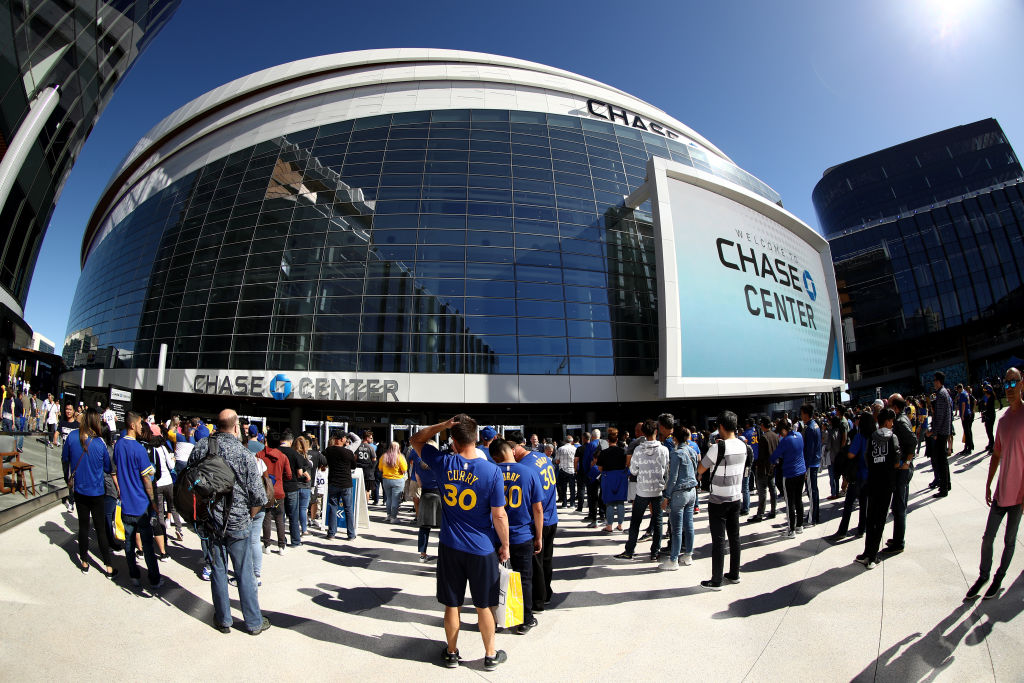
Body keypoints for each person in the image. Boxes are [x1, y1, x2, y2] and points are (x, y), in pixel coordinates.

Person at [410, 416, 509, 671]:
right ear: (476, 438)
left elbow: (415, 440)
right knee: (484, 605)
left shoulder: (443, 463)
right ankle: (489, 654)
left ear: (453, 442)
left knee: (452, 604)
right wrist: (505, 545)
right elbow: (499, 515)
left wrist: (442, 425)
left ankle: (452, 652)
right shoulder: (492, 471)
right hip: (482, 547)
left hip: (451, 545)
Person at [187, 409, 269, 634]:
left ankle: (223, 620)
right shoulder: (243, 454)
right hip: (238, 524)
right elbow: (259, 497)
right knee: (245, 573)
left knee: (218, 571)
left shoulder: (202, 447)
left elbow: (189, 479)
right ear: (235, 427)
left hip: (210, 521)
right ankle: (253, 623)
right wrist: (247, 517)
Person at [965, 367, 1023, 601]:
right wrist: (989, 483)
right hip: (1002, 491)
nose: (1009, 389)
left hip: (1019, 493)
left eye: (1013, 383)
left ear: (1021, 383)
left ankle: (999, 576)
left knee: (1010, 540)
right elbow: (997, 454)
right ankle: (984, 575)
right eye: (1006, 384)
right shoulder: (1003, 420)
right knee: (988, 537)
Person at [696, 411, 753, 590]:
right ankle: (734, 574)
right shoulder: (744, 446)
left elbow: (701, 468)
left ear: (721, 427)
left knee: (719, 540)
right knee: (735, 537)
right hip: (736, 497)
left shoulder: (717, 448)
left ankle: (716, 579)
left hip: (718, 499)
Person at [493, 439, 543, 634]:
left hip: (497, 534)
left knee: (496, 578)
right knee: (524, 579)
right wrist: (538, 536)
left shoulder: (492, 473)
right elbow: (537, 508)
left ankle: (497, 617)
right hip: (522, 534)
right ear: (512, 452)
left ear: (495, 457)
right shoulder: (528, 472)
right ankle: (525, 619)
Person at [61, 408, 116, 577]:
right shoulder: (100, 444)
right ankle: (108, 565)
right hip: (97, 491)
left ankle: (84, 561)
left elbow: (65, 459)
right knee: (100, 528)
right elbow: (108, 467)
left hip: (80, 490)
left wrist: (67, 478)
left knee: (83, 526)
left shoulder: (71, 437)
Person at [113, 412, 162, 589]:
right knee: (148, 545)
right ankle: (154, 578)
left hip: (126, 504)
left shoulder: (118, 446)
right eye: (140, 424)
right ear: (132, 425)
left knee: (129, 542)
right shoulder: (139, 449)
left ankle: (134, 575)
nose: (142, 427)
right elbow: (147, 480)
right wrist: (153, 502)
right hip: (141, 505)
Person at [512, 432, 558, 620]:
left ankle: (538, 601)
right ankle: (547, 593)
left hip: (538, 518)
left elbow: (533, 502)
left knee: (536, 563)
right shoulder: (541, 456)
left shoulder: (524, 467)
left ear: (515, 449)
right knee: (546, 559)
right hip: (551, 515)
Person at [615, 419, 668, 561]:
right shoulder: (664, 449)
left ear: (643, 433)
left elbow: (633, 470)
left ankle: (629, 551)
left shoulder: (638, 450)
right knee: (658, 521)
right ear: (656, 431)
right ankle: (655, 552)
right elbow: (666, 469)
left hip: (642, 490)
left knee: (635, 522)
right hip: (658, 490)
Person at [857, 408, 903, 569]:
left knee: (871, 517)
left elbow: (867, 457)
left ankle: (867, 552)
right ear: (887, 421)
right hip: (887, 482)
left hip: (873, 480)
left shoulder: (873, 437)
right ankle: (872, 556)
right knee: (881, 519)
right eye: (892, 421)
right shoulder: (893, 437)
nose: (892, 423)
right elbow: (897, 460)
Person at [661, 425, 699, 569]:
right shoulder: (691, 451)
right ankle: (688, 555)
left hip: (679, 492)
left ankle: (673, 559)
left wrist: (666, 495)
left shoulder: (676, 454)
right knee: (689, 525)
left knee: (676, 528)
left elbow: (673, 477)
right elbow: (695, 469)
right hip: (691, 490)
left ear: (675, 438)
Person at [886, 394, 918, 555]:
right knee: (899, 506)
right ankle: (897, 537)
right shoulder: (901, 418)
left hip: (903, 470)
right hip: (901, 469)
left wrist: (906, 462)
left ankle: (899, 542)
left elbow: (912, 440)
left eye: (889, 404)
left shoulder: (899, 421)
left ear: (895, 407)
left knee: (899, 507)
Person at [834, 413, 873, 539]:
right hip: (869, 474)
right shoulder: (874, 436)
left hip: (858, 474)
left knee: (849, 503)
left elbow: (851, 454)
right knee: (864, 504)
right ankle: (862, 529)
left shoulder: (859, 437)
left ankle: (842, 530)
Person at [772, 418, 806, 538]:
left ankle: (791, 529)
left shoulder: (785, 441)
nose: (780, 434)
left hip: (790, 473)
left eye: (780, 432)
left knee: (790, 502)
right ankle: (800, 526)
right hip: (801, 471)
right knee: (798, 500)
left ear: (783, 430)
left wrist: (773, 461)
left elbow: (775, 456)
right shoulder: (799, 435)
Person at [258, 432, 292, 553]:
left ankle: (266, 545)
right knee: (279, 518)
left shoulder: (260, 455)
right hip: (278, 491)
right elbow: (289, 475)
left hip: (265, 491)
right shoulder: (283, 457)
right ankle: (281, 546)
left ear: (266, 441)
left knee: (266, 517)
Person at [323, 431, 357, 541]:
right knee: (348, 508)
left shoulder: (328, 451)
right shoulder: (348, 452)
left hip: (333, 481)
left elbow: (323, 461)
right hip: (346, 482)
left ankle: (331, 533)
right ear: (341, 439)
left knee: (333, 507)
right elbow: (353, 466)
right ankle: (351, 534)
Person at [278, 430, 310, 547]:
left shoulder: (275, 452)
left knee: (280, 516)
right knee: (293, 516)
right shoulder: (295, 454)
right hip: (292, 487)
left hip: (278, 487)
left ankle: (282, 541)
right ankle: (295, 541)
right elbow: (300, 472)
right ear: (291, 442)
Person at [415, 440, 442, 562]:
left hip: (426, 494)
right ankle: (443, 554)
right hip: (440, 495)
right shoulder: (440, 462)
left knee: (424, 528)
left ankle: (422, 554)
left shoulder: (417, 463)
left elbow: (418, 481)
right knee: (444, 528)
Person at [929, 371, 954, 498]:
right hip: (945, 430)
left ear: (938, 381)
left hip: (941, 432)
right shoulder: (944, 393)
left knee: (941, 461)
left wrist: (935, 432)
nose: (933, 383)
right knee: (943, 460)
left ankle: (943, 488)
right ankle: (947, 484)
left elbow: (939, 416)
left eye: (934, 380)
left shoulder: (941, 394)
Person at [598, 429, 628, 533]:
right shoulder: (623, 451)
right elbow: (627, 464)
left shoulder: (603, 452)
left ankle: (609, 525)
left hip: (608, 477)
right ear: (617, 439)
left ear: (608, 440)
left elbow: (600, 468)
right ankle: (620, 525)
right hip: (621, 477)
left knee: (609, 503)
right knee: (620, 502)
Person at [751, 417, 779, 522]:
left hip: (763, 468)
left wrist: (758, 466)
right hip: (772, 466)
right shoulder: (775, 436)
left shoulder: (763, 437)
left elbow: (761, 455)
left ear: (763, 425)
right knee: (772, 489)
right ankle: (773, 510)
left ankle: (760, 513)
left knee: (762, 492)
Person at [800, 404, 822, 526]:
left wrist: (805, 467)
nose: (801, 416)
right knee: (814, 490)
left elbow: (809, 449)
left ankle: (812, 517)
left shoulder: (809, 428)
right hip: (815, 461)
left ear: (806, 414)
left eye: (802, 413)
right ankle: (815, 514)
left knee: (811, 490)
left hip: (810, 463)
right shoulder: (816, 425)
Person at [378, 441, 408, 523]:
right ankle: (393, 518)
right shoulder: (400, 457)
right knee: (396, 499)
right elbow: (404, 469)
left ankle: (388, 515)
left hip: (386, 480)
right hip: (397, 480)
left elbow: (380, 468)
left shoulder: (384, 456)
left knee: (389, 499)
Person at [354, 433, 378, 505]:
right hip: (368, 471)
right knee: (367, 490)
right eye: (370, 438)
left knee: (358, 488)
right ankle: (365, 506)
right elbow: (374, 459)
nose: (371, 439)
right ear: (367, 438)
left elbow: (355, 458)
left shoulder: (357, 446)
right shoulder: (371, 448)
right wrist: (372, 468)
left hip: (358, 469)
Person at [554, 436, 577, 508]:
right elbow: (576, 460)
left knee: (563, 487)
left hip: (563, 469)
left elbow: (557, 461)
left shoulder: (560, 449)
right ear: (572, 441)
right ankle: (572, 503)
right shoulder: (575, 449)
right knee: (572, 488)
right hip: (572, 469)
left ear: (564, 441)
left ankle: (564, 503)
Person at [956, 383, 975, 455]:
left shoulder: (962, 394)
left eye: (958, 390)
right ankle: (969, 446)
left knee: (967, 432)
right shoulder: (966, 393)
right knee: (968, 431)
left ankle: (969, 448)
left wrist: (962, 415)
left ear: (960, 389)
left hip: (966, 415)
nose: (958, 392)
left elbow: (963, 405)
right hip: (968, 413)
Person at [980, 384, 998, 452]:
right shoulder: (989, 398)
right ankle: (990, 443)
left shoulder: (991, 398)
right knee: (988, 431)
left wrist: (985, 412)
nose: (985, 393)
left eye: (986, 392)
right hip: (989, 415)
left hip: (991, 416)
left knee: (990, 431)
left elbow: (990, 409)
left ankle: (993, 445)